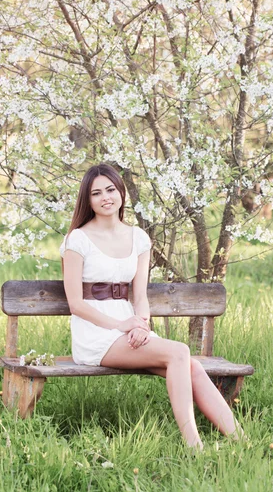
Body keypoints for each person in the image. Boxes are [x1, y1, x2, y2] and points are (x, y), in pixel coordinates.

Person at [60, 164, 242, 450]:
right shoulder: (77, 239)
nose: (105, 197)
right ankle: (194, 445)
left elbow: (140, 295)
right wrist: (122, 325)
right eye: (96, 193)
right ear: (88, 200)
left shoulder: (138, 238)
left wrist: (141, 324)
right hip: (96, 333)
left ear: (121, 192)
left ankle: (241, 440)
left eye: (110, 189)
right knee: (180, 351)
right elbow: (76, 304)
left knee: (191, 367)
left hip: (130, 326)